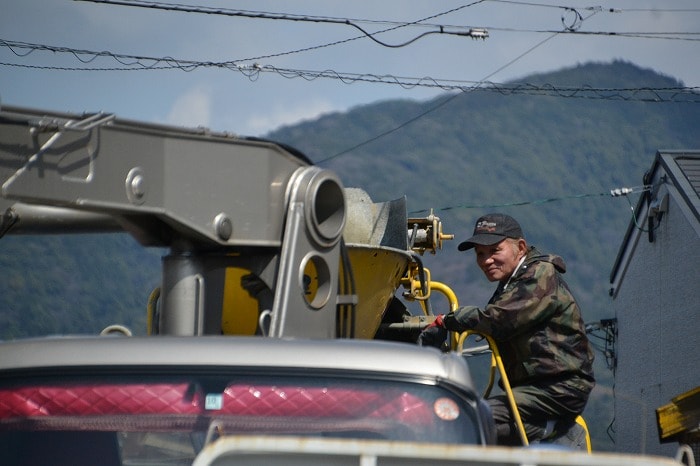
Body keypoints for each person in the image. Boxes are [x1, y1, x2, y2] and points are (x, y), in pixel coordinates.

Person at [418, 213, 595, 446]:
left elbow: (500, 321)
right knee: (468, 418)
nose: (486, 260)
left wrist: (448, 321)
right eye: (480, 253)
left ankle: (553, 429)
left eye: (494, 250)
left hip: (557, 389)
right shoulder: (511, 282)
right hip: (534, 389)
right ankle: (540, 431)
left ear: (520, 247)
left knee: (471, 418)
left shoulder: (540, 273)